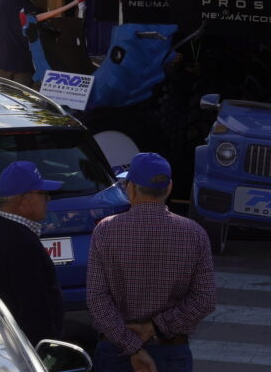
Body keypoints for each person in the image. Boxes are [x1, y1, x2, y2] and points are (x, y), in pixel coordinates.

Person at [87, 153, 216, 372]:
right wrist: (155, 327)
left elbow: (97, 299)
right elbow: (205, 300)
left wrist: (132, 346)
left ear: (131, 188)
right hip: (171, 352)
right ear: (169, 187)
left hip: (116, 352)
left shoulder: (105, 231)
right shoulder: (194, 234)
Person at [0, 161, 65, 345]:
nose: (48, 199)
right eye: (43, 193)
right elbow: (36, 307)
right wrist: (45, 350)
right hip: (24, 349)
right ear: (23, 200)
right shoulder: (23, 241)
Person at [0, 0, 40, 85]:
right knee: (21, 100)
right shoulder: (33, 10)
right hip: (23, 65)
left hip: (2, 62)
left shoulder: (1, 4)